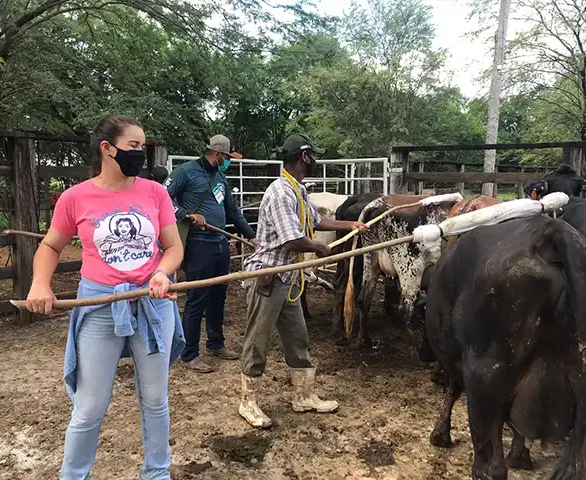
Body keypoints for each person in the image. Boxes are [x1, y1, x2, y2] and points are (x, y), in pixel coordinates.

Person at [25, 115, 185, 479]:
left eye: (142, 146)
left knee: (156, 399)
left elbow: (173, 247)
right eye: (133, 146)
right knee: (90, 405)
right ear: (107, 148)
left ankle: (157, 472)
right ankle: (73, 475)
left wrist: (163, 272)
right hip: (99, 305)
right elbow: (50, 246)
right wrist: (40, 283)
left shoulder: (155, 192)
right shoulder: (75, 197)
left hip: (153, 301)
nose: (140, 154)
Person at [239, 133, 368, 428]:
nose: (314, 161)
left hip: (288, 280)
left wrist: (350, 224)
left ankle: (303, 396)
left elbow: (316, 222)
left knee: (298, 340)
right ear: (304, 157)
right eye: (313, 156)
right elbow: (292, 240)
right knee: (257, 342)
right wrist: (321, 247)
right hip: (267, 279)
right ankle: (248, 402)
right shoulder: (280, 192)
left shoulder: (298, 190)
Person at [164, 134, 257, 373]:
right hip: (198, 242)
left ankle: (216, 343)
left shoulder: (220, 177)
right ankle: (189, 353)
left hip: (220, 241)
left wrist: (251, 236)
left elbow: (232, 211)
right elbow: (163, 198)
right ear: (218, 155)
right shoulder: (185, 172)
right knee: (197, 298)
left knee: (219, 295)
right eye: (228, 158)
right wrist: (186, 214)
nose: (230, 162)